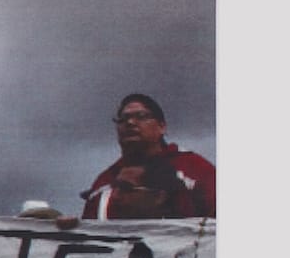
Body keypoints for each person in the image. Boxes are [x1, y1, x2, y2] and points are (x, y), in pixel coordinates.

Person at [81, 93, 216, 220]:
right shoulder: (105, 181)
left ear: (161, 127)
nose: (130, 122)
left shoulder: (195, 168)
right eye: (123, 119)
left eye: (141, 116)